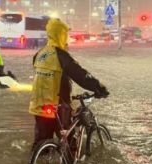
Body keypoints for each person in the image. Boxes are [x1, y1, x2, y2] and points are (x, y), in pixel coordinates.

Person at [28, 18, 109, 149]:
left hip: (39, 106)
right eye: (65, 34)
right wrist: (99, 87)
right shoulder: (61, 56)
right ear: (60, 35)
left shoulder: (39, 53)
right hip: (58, 106)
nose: (67, 38)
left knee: (41, 143)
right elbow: (81, 76)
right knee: (69, 141)